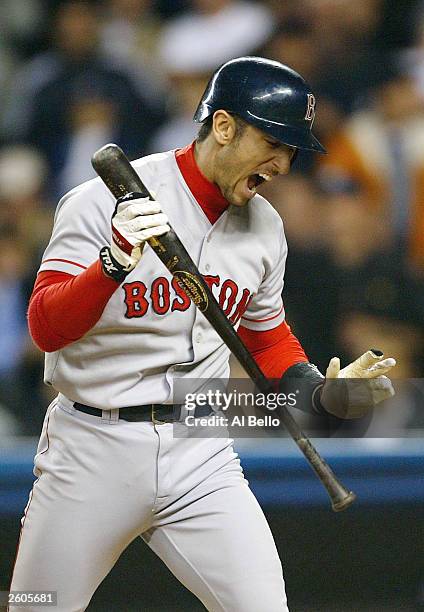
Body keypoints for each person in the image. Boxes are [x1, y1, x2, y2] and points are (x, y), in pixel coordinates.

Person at [9, 57, 396, 612]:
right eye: (274, 143)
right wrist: (111, 263)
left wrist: (315, 392)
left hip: (202, 449)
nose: (283, 164)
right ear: (223, 126)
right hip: (93, 447)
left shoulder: (265, 227)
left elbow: (265, 337)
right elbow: (46, 326)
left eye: (291, 150)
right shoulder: (101, 201)